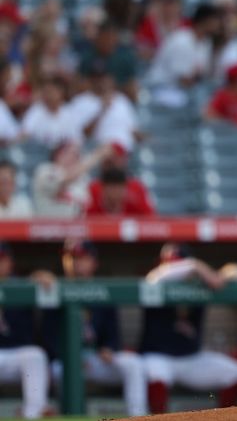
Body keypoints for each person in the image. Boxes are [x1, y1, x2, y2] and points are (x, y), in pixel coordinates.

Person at [42, 239, 148, 417]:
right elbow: (48, 337)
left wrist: (109, 348)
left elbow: (113, 334)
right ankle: (68, 416)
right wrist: (70, 356)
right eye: (70, 257)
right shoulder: (56, 289)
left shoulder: (103, 290)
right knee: (56, 370)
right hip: (65, 360)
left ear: (94, 262)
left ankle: (137, 415)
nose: (75, 262)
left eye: (81, 257)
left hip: (95, 358)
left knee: (133, 364)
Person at [141, 243, 237, 414]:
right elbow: (158, 276)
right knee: (155, 373)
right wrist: (195, 265)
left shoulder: (199, 283)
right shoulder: (156, 280)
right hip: (159, 357)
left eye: (178, 263)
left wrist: (220, 275)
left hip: (191, 358)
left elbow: (236, 273)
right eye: (170, 263)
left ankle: (223, 417)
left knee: (235, 372)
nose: (174, 268)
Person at [0, 242, 50, 420]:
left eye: (1, 259)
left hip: (16, 355)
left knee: (35, 355)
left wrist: (39, 276)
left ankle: (33, 415)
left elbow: (39, 282)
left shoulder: (21, 285)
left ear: (10, 262)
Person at [147, 3, 222, 108]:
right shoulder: (181, 40)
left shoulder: (206, 43)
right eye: (216, 20)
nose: (219, 24)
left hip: (183, 92)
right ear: (206, 20)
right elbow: (184, 80)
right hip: (161, 90)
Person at [32, 142, 112, 218]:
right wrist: (97, 156)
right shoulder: (46, 170)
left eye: (76, 154)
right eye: (69, 152)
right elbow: (65, 180)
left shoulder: (83, 178)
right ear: (57, 154)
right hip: (48, 228)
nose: (73, 157)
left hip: (77, 228)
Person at [85, 166, 156, 216]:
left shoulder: (135, 200)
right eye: (112, 188)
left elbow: (151, 221)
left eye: (119, 189)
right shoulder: (91, 199)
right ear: (103, 188)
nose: (116, 193)